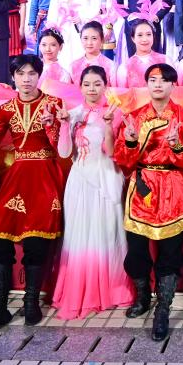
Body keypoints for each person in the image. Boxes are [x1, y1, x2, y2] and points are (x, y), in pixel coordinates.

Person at [0, 54, 65, 337]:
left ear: (39, 76)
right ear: (13, 77)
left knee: (37, 241)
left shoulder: (54, 104)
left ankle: (31, 302)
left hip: (45, 176)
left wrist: (51, 125)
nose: (26, 79)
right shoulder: (5, 109)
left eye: (31, 73)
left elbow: (60, 148)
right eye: (21, 74)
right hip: (17, 175)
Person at [115, 63, 183, 341]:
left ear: (173, 85)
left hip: (174, 188)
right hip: (142, 188)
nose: (158, 85)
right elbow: (123, 161)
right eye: (153, 80)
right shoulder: (134, 118)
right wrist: (130, 142)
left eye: (164, 80)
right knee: (136, 250)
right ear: (147, 84)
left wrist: (176, 145)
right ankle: (142, 296)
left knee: (171, 253)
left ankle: (163, 308)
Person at [52, 66, 133, 320]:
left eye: (97, 84)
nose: (92, 89)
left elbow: (112, 152)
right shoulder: (73, 113)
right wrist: (64, 124)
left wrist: (108, 126)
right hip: (80, 179)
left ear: (106, 86)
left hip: (106, 176)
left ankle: (111, 290)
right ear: (80, 87)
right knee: (80, 235)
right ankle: (81, 290)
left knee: (108, 233)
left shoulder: (116, 113)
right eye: (87, 84)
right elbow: (64, 152)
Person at [116, 20, 169, 88]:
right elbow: (122, 93)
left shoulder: (166, 61)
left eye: (148, 34)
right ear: (133, 38)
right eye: (140, 35)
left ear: (153, 36)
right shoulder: (124, 68)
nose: (144, 39)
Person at [70, 21, 116, 85]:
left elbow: (114, 90)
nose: (89, 43)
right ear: (81, 39)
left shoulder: (110, 65)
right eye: (85, 38)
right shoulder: (74, 66)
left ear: (102, 40)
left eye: (94, 38)